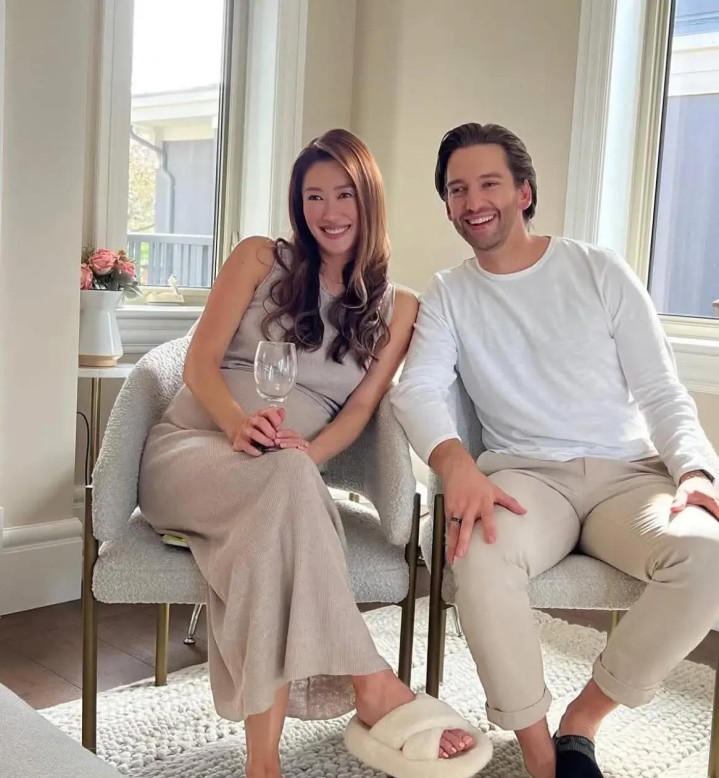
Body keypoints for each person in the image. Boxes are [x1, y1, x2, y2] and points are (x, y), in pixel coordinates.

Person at [138, 129, 488, 778]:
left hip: (280, 475)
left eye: (344, 195)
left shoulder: (398, 308)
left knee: (269, 543)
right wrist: (237, 424)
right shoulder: (257, 259)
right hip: (190, 452)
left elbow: (359, 410)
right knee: (285, 491)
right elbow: (198, 363)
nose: (329, 211)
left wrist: (308, 451)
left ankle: (263, 765)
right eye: (314, 197)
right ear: (299, 205)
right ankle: (370, 680)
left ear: (368, 200)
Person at [391, 121, 719, 778]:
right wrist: (455, 464)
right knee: (477, 558)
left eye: (488, 183)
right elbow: (416, 389)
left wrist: (694, 470)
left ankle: (583, 720)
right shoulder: (449, 293)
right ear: (448, 205)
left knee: (709, 556)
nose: (472, 201)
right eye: (456, 189)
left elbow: (659, 388)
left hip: (629, 475)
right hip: (526, 477)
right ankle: (544, 759)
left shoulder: (598, 269)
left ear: (523, 192)